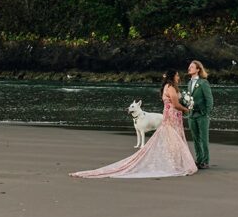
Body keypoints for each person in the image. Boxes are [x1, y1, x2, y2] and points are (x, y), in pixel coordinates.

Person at [70, 69, 198, 178]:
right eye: (177, 75)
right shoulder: (170, 87)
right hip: (171, 116)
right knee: (173, 139)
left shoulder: (170, 87)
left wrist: (185, 104)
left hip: (173, 115)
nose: (178, 77)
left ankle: (175, 162)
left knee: (173, 139)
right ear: (172, 77)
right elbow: (175, 104)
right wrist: (187, 109)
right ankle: (175, 164)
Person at [186, 59, 214, 168]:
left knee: (203, 138)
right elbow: (189, 99)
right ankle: (199, 160)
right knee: (195, 139)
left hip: (202, 115)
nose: (189, 68)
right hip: (191, 115)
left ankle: (205, 161)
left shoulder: (203, 83)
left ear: (198, 69)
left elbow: (209, 100)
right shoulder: (189, 83)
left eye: (192, 67)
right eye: (189, 67)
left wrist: (205, 113)